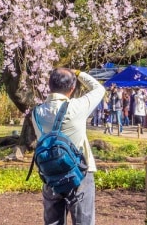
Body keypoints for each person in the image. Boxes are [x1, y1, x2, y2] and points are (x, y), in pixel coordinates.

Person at [31, 68, 105, 225]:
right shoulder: (77, 107)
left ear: (49, 86)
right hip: (79, 174)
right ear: (72, 89)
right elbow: (99, 89)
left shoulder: (36, 112)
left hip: (50, 174)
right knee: (83, 221)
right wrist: (78, 73)